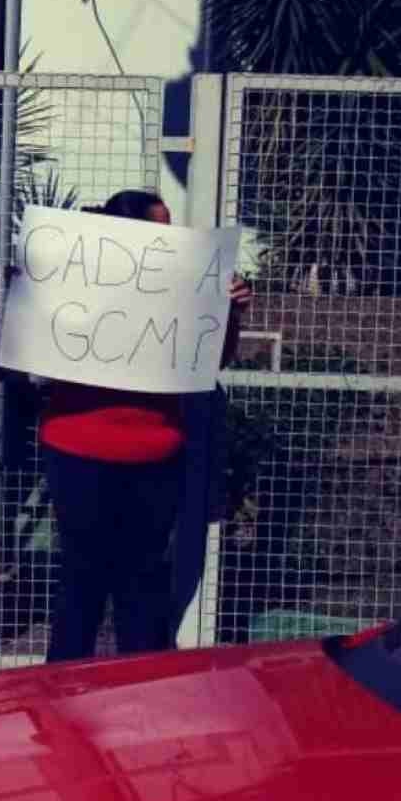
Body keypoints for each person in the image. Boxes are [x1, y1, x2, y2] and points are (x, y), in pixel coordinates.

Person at [38, 189, 253, 662]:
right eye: (163, 225)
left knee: (142, 582)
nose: (173, 235)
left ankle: (140, 693)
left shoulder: (186, 284)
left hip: (154, 454)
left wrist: (229, 312)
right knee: (82, 579)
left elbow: (215, 358)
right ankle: (62, 694)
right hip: (79, 451)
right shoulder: (79, 277)